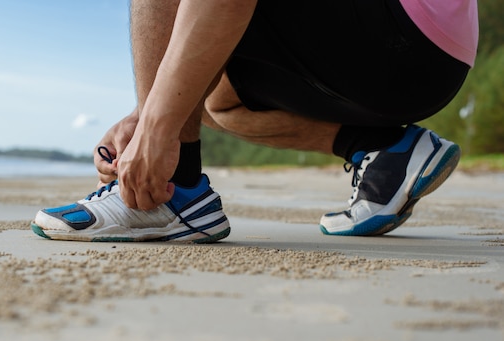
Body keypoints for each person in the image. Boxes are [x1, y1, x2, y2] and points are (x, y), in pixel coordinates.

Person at [31, 0, 479, 242]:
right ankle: (385, 151)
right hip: (427, 58)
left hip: (402, 32)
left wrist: (157, 129)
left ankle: (173, 193)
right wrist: (145, 115)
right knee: (216, 103)